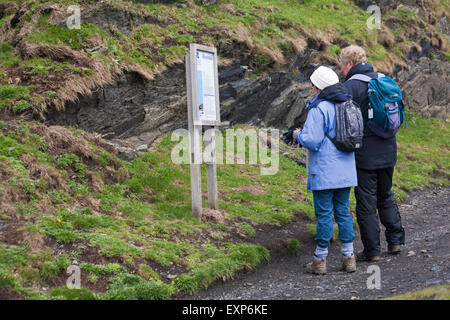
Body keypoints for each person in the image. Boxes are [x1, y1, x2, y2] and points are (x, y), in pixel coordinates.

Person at [339, 45, 405, 262]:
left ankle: (372, 251)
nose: (341, 69)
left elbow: (342, 121)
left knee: (366, 202)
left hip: (365, 155)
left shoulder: (351, 87)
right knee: (386, 195)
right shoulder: (383, 79)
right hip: (388, 150)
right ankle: (395, 241)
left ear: (349, 64)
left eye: (341, 64)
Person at [293, 66, 357, 275]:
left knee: (324, 215)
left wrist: (297, 135)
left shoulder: (319, 108)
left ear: (317, 87)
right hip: (346, 170)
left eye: (313, 84)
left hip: (325, 170)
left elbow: (312, 140)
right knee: (343, 213)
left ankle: (320, 260)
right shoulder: (349, 104)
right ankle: (349, 258)